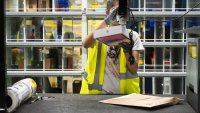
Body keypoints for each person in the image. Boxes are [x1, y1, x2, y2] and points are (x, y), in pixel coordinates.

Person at [80, 0, 144, 94]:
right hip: (98, 95)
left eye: (123, 10)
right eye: (116, 10)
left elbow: (133, 68)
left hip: (125, 95)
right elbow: (85, 44)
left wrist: (127, 51)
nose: (119, 14)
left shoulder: (133, 36)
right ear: (107, 12)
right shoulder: (99, 33)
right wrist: (107, 21)